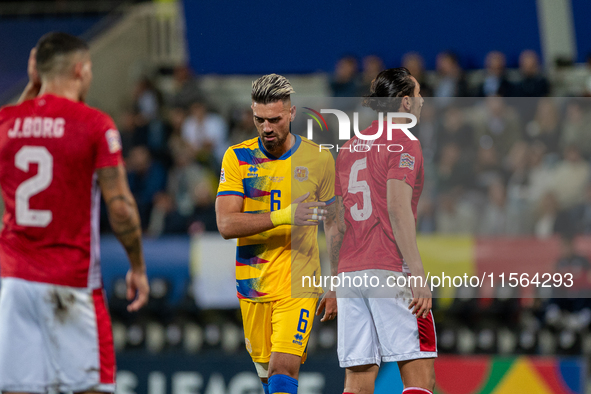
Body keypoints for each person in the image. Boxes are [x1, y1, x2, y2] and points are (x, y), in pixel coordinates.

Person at [0, 32, 149, 393]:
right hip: (71, 281)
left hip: (14, 281)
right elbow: (121, 208)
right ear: (80, 70)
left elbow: (18, 124)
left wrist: (34, 87)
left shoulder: (6, 120)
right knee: (91, 388)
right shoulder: (94, 124)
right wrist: (138, 267)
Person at [215, 74, 340, 394]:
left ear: (292, 113)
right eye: (259, 120)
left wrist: (337, 280)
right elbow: (226, 225)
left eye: (274, 119)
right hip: (253, 284)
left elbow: (335, 222)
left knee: (283, 367)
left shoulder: (319, 159)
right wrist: (285, 216)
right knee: (269, 379)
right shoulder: (238, 158)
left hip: (299, 283)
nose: (267, 127)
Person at [334, 68, 436, 394]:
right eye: (418, 94)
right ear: (405, 101)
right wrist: (417, 272)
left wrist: (334, 277)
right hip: (390, 267)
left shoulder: (350, 146)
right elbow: (396, 206)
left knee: (358, 381)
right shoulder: (405, 141)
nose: (422, 100)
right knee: (420, 377)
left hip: (350, 274)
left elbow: (335, 220)